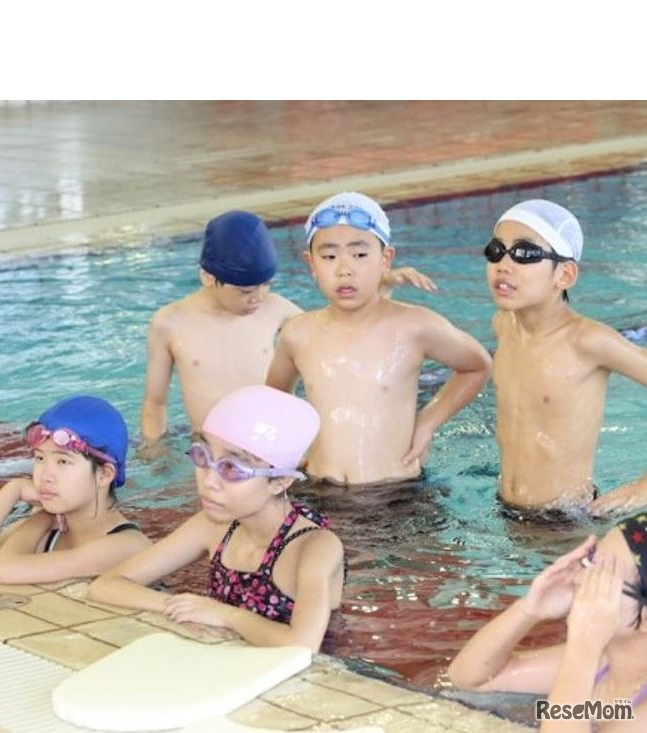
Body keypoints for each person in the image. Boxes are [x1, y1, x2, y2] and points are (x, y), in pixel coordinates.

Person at [141, 209, 436, 446]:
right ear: (208, 277)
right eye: (246, 291)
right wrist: (155, 457)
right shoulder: (170, 323)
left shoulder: (278, 310)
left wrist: (380, 288)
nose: (258, 298)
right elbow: (155, 403)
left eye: (266, 286)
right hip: (212, 448)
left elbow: (346, 336)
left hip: (276, 444)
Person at [91, 385, 344, 650]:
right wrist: (185, 607)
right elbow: (106, 586)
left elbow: (301, 646)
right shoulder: (214, 526)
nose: (209, 481)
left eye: (232, 468)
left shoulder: (316, 547)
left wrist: (226, 615)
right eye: (203, 456)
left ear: (280, 481)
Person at [266, 191, 491, 486]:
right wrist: (289, 450)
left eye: (360, 255)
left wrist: (427, 423)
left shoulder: (415, 326)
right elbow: (273, 401)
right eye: (329, 257)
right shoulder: (297, 333)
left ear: (386, 259)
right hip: (320, 490)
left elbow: (478, 366)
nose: (344, 270)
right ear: (311, 263)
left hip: (397, 492)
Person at [485, 200, 647, 514]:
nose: (504, 264)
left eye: (525, 253)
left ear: (565, 275)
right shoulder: (503, 325)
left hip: (565, 520)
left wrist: (643, 488)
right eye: (496, 251)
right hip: (503, 510)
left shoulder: (588, 341)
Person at [447, 515, 647, 731]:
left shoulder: (591, 659)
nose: (578, 578)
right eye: (589, 560)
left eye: (602, 577)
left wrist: (583, 647)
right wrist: (528, 610)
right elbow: (470, 677)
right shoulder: (605, 664)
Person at [0, 395, 150, 583]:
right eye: (40, 458)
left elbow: (4, 570)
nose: (45, 476)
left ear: (104, 474)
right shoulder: (50, 527)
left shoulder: (126, 545)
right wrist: (14, 489)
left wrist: (40, 518)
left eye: (63, 461)